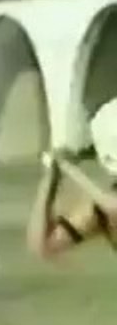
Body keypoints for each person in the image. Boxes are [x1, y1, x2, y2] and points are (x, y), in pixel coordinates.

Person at [27, 100, 117, 259]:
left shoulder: (105, 208)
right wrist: (50, 178)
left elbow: (113, 207)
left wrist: (68, 167)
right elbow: (43, 246)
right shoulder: (101, 211)